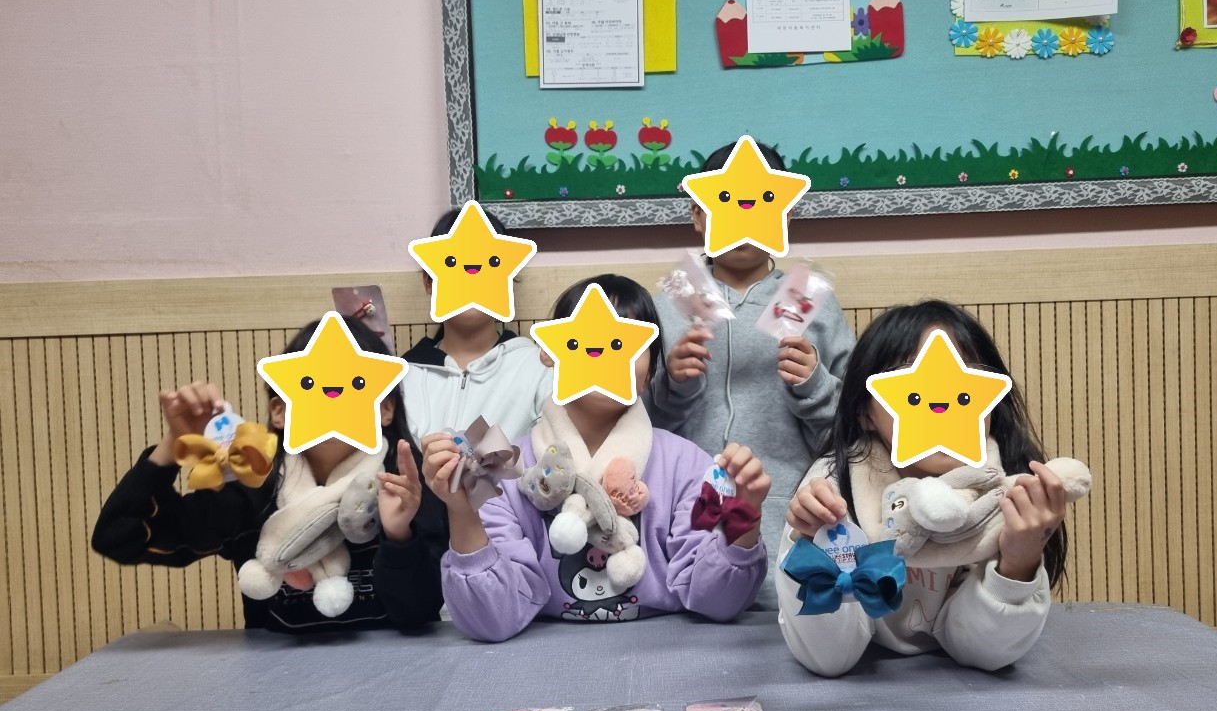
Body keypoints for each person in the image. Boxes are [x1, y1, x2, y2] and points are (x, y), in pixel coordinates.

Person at [399, 274, 770, 643]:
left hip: (665, 654)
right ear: (549, 355)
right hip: (540, 661)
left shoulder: (686, 466)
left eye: (622, 342)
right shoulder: (503, 469)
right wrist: (461, 511)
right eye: (580, 339)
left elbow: (718, 601)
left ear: (649, 373)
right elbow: (491, 621)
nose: (600, 350)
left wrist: (745, 517)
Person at [92, 317, 447, 632]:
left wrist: (400, 536)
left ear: (385, 409)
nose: (332, 395)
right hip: (277, 680)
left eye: (355, 385)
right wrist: (174, 444)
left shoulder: (406, 485)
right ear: (279, 412)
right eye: (309, 384)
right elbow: (119, 537)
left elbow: (420, 614)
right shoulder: (252, 488)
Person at [777, 300, 1069, 677]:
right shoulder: (833, 487)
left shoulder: (1010, 494)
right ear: (865, 412)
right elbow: (828, 657)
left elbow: (984, 654)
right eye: (914, 392)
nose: (939, 405)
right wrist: (810, 547)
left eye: (961, 390)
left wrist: (1019, 560)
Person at [647, 142, 855, 609]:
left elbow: (857, 428)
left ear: (785, 213)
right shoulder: (669, 302)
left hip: (788, 513)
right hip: (683, 512)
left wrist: (815, 386)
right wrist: (672, 386)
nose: (742, 217)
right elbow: (636, 430)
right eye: (723, 203)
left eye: (761, 203)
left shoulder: (809, 298)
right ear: (697, 216)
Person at [401, 209, 552, 444]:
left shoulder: (538, 368)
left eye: (491, 264)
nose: (471, 274)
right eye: (452, 264)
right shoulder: (404, 377)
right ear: (429, 283)